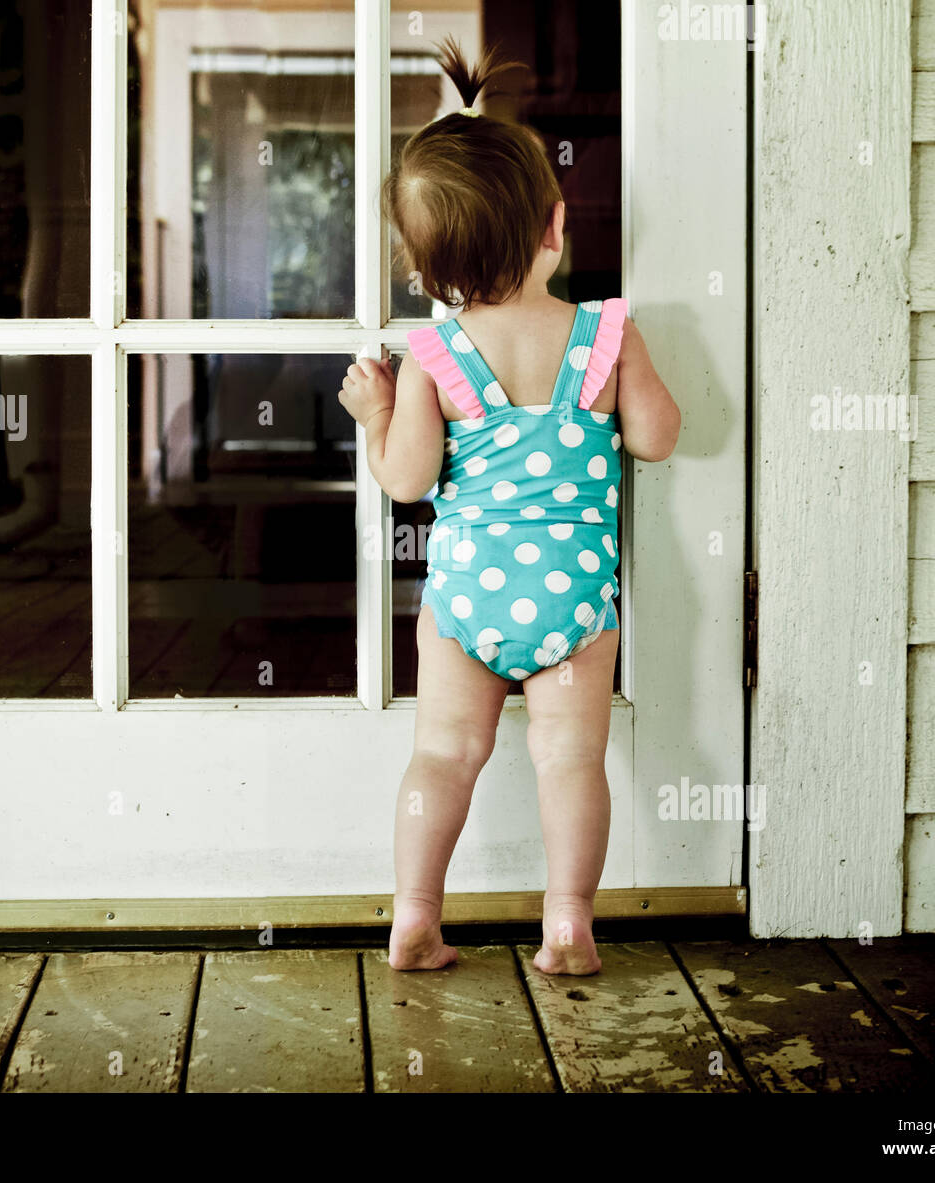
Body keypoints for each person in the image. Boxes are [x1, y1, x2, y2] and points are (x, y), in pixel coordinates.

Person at [338, 37, 681, 975]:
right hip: (572, 600)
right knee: (571, 762)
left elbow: (406, 481)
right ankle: (569, 919)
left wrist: (376, 415)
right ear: (555, 226)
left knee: (444, 756)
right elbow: (658, 437)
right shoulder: (606, 334)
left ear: (424, 265)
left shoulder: (435, 359)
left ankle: (414, 913)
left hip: (466, 601)